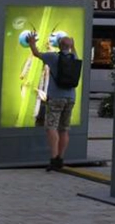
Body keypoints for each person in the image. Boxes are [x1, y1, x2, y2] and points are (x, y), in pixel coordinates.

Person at [29, 31, 81, 172]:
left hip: (56, 97)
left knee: (51, 127)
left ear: (58, 45)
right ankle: (61, 158)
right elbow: (74, 51)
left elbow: (36, 53)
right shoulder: (75, 57)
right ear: (70, 46)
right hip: (71, 98)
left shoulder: (53, 57)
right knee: (64, 128)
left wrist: (32, 42)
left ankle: (54, 158)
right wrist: (73, 45)